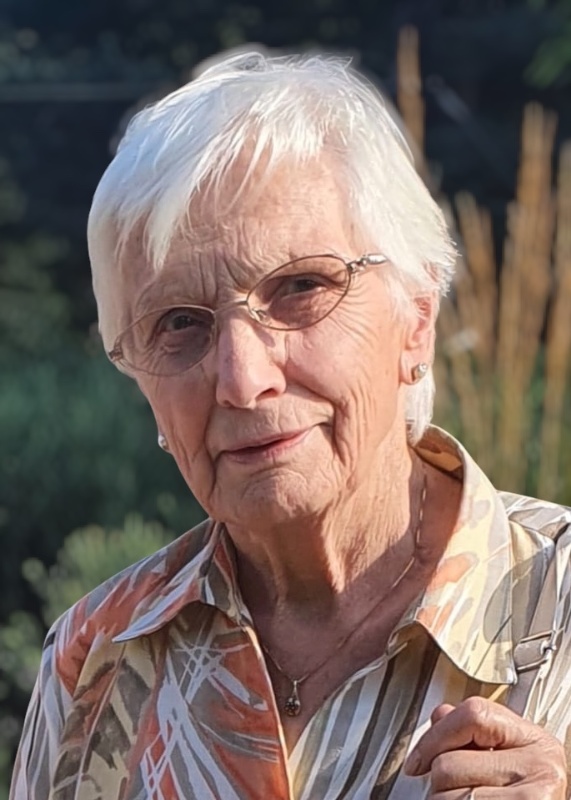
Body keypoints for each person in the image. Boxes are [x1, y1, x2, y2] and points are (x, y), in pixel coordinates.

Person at [10, 52, 571, 800]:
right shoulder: (96, 658)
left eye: (300, 288)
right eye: (178, 323)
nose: (243, 380)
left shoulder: (558, 605)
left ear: (416, 319)